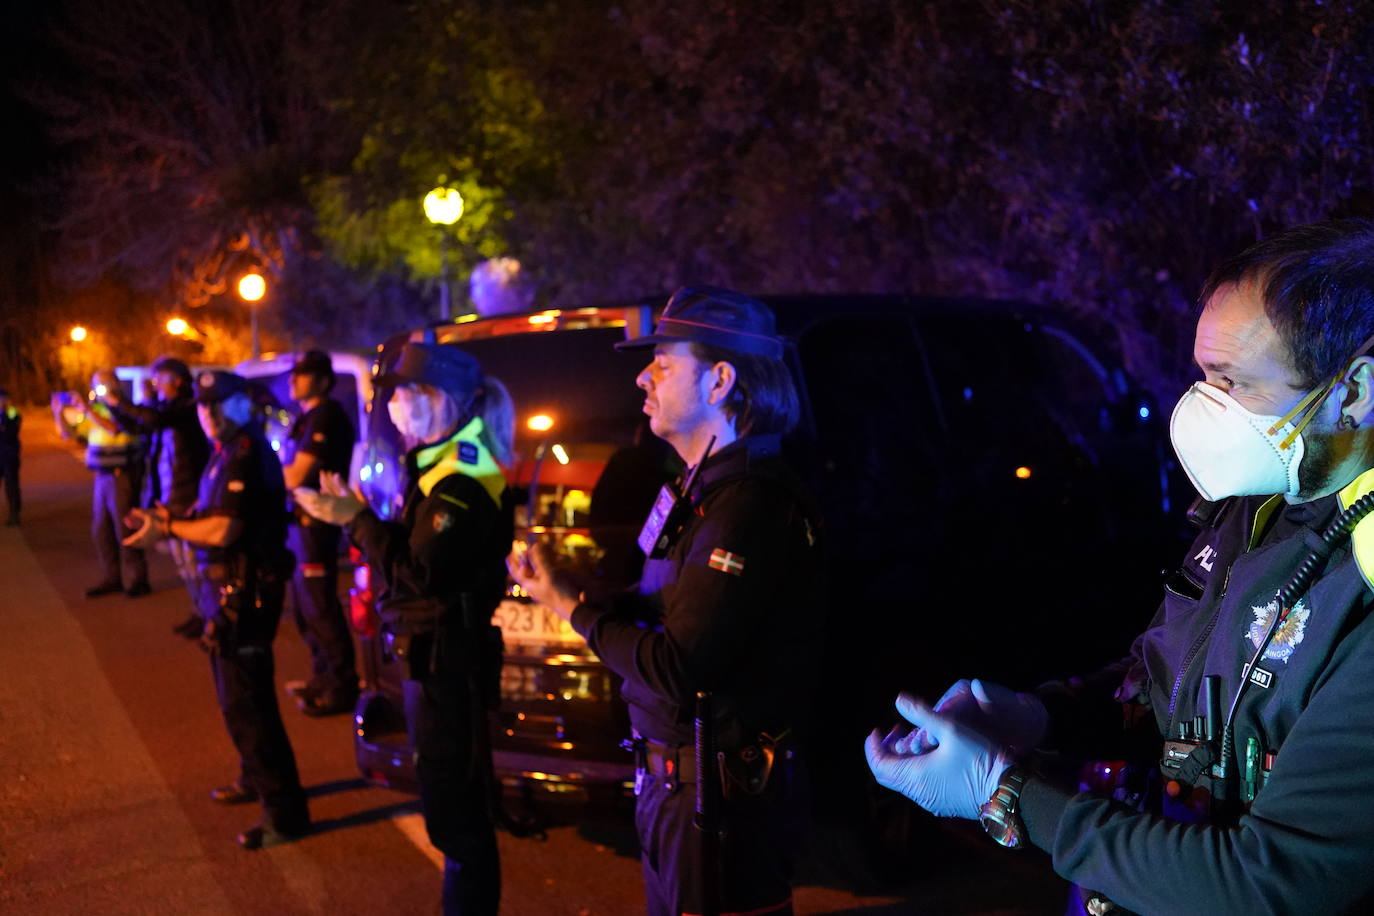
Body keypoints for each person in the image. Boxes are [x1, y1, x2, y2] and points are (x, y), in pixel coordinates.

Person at [864, 219, 1374, 916]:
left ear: (1353, 393)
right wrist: (1045, 716)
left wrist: (1009, 793)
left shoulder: (1365, 583)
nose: (1204, 408)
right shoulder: (1259, 504)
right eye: (1203, 375)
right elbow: (1169, 686)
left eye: (1235, 382)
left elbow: (1272, 881)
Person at [509, 286, 825, 916]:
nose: (642, 376)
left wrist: (572, 607)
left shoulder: (747, 506)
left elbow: (679, 666)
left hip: (718, 794)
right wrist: (583, 589)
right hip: (674, 781)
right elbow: (662, 601)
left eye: (665, 363)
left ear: (720, 381)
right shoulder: (698, 488)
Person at [295, 343, 514, 914]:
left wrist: (358, 520)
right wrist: (359, 517)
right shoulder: (438, 463)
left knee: (458, 822)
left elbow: (419, 572)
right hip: (431, 657)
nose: (394, 404)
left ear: (440, 400)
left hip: (450, 662)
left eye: (405, 392)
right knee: (447, 813)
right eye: (392, 393)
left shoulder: (465, 475)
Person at [123, 371, 309, 849]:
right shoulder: (225, 452)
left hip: (246, 595)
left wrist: (168, 531)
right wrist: (169, 520)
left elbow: (224, 531)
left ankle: (283, 815)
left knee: (249, 706)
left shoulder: (245, 453)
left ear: (243, 405)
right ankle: (255, 780)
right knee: (239, 701)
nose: (209, 414)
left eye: (219, 404)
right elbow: (207, 516)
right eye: (204, 406)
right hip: (229, 593)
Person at [104, 357, 210, 635]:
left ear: (177, 380)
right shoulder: (166, 408)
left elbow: (156, 420)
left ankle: (208, 614)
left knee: (195, 560)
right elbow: (137, 427)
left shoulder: (189, 407)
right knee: (181, 560)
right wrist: (113, 407)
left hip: (187, 494)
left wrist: (120, 403)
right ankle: (198, 610)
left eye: (160, 378)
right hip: (168, 494)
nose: (156, 384)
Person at [279, 350, 358, 716]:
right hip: (300, 523)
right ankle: (320, 678)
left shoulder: (327, 416)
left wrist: (262, 478)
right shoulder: (305, 418)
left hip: (317, 525)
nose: (293, 379)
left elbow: (296, 475)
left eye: (303, 374)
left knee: (320, 607)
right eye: (293, 374)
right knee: (304, 608)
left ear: (323, 380)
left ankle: (341, 686)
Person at [54, 370, 149, 597]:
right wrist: (58, 412)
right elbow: (68, 434)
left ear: (114, 384)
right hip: (102, 478)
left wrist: (86, 408)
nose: (99, 388)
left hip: (121, 476)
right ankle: (111, 578)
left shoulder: (124, 409)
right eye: (96, 384)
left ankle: (138, 579)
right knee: (101, 530)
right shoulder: (95, 410)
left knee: (124, 527)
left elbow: (113, 427)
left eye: (103, 383)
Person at [0, 386, 21, 526]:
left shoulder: (12, 412)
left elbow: (11, 431)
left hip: (9, 454)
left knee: (11, 486)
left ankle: (14, 515)